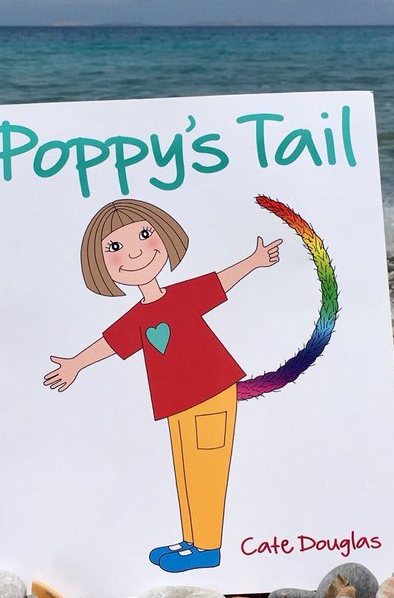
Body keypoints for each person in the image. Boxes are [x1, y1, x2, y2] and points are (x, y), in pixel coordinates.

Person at [44, 198, 281, 573]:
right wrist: (76, 363)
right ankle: (191, 540)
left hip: (211, 393)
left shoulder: (183, 295)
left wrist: (254, 261)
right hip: (176, 401)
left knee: (206, 468)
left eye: (144, 235)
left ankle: (207, 547)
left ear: (166, 236)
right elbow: (111, 342)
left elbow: (219, 282)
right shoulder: (139, 316)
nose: (134, 252)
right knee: (186, 469)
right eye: (115, 247)